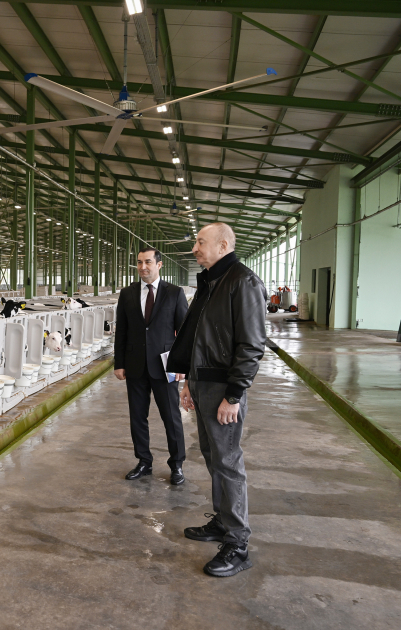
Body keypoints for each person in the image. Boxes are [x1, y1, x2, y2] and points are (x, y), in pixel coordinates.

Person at [167, 223, 266, 578]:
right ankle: (223, 523)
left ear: (223, 245)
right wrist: (189, 383)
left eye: (200, 242)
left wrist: (234, 395)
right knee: (212, 457)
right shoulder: (210, 282)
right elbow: (197, 338)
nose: (195, 247)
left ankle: (238, 544)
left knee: (227, 461)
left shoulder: (242, 282)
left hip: (225, 390)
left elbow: (252, 345)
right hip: (203, 383)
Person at [114, 247, 189, 485]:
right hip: (135, 365)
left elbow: (184, 334)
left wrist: (181, 365)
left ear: (159, 265)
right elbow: (122, 331)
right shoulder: (127, 294)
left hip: (165, 366)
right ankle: (144, 461)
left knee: (171, 416)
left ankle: (176, 465)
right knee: (137, 416)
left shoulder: (175, 293)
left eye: (147, 262)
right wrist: (119, 363)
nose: (143, 267)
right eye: (139, 263)